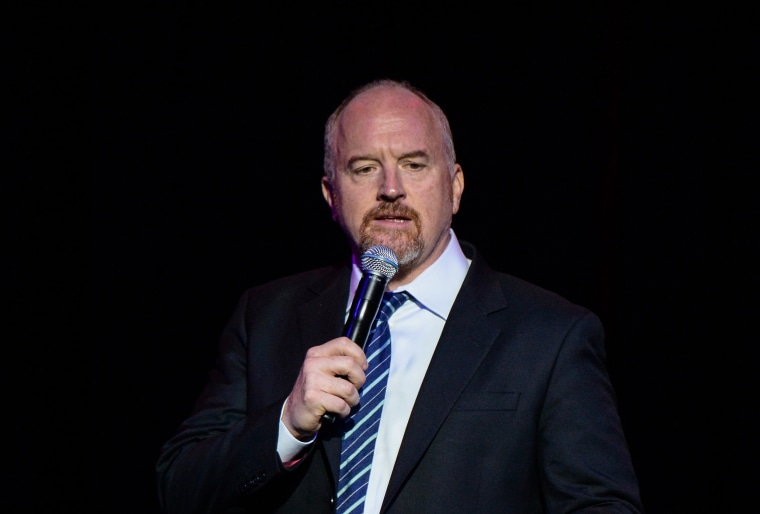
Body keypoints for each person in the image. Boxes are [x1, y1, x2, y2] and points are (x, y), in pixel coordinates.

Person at [155, 79, 644, 513]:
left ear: (454, 187)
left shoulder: (549, 336)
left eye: (414, 164)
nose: (391, 188)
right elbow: (179, 488)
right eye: (365, 168)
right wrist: (288, 424)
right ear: (331, 194)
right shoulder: (265, 317)